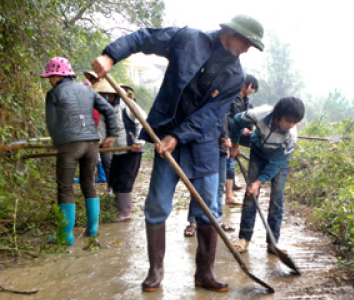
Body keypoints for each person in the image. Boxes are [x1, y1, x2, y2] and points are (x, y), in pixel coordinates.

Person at [91, 14, 265, 293]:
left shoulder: (236, 76)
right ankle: (155, 271)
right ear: (230, 31)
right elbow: (144, 37)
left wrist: (179, 136)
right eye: (245, 41)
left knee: (208, 209)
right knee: (157, 204)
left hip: (203, 144)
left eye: (251, 47)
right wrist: (111, 56)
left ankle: (205, 273)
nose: (246, 49)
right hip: (165, 136)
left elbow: (211, 114)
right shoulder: (188, 39)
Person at [40, 57, 117, 245]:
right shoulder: (87, 90)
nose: (49, 80)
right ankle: (92, 230)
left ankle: (66, 237)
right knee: (88, 184)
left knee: (65, 188)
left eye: (50, 76)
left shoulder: (54, 93)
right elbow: (109, 110)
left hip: (70, 144)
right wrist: (111, 134)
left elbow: (52, 122)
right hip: (91, 143)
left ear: (57, 75)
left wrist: (58, 143)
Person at [230, 97, 305, 254]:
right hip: (258, 151)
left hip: (278, 159)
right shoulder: (260, 114)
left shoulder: (291, 136)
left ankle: (273, 243)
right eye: (288, 121)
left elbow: (276, 163)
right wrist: (235, 145)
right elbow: (236, 121)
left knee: (277, 198)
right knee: (251, 194)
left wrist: (259, 181)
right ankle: (244, 238)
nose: (290, 125)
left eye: (295, 122)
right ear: (277, 115)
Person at [93, 79, 147, 222]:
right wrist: (100, 143)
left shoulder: (126, 105)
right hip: (118, 150)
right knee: (114, 178)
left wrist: (138, 141)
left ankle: (125, 212)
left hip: (132, 149)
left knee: (125, 179)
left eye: (104, 94)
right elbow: (102, 129)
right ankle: (116, 208)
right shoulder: (105, 109)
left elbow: (142, 121)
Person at [184, 116, 235, 238]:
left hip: (221, 151)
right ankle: (193, 221)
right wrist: (223, 139)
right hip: (204, 150)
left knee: (219, 187)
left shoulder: (224, 105)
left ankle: (217, 219)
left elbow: (224, 125)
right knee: (199, 187)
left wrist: (226, 143)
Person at [225, 75, 259, 205]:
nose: (252, 90)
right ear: (245, 85)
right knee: (229, 163)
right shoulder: (230, 98)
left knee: (257, 142)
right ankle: (229, 195)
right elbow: (225, 118)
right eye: (252, 87)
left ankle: (256, 174)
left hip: (241, 134)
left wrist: (247, 129)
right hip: (228, 134)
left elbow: (251, 121)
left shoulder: (248, 103)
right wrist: (239, 127)